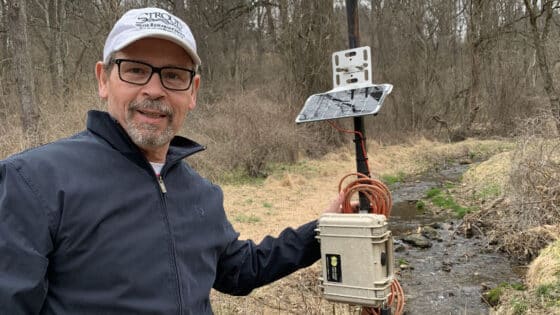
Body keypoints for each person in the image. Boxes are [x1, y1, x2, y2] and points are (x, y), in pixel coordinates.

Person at [0, 7, 342, 315]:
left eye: (173, 75)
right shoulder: (33, 181)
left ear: (192, 91)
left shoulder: (200, 192)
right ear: (103, 79)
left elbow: (239, 270)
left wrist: (323, 231)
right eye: (135, 70)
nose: (154, 89)